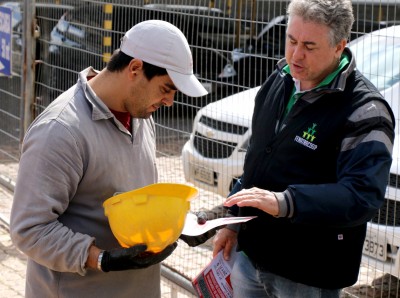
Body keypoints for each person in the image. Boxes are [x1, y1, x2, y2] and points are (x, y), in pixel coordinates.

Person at [9, 19, 207, 297]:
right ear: (135, 69)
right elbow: (29, 230)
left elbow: (134, 201)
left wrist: (178, 224)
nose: (170, 102)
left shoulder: (140, 115)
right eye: (166, 88)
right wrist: (100, 259)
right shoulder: (61, 130)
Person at [212, 0, 395, 297]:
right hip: (251, 257)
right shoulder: (279, 80)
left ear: (339, 46)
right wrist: (232, 222)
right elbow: (258, 163)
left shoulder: (364, 111)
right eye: (292, 40)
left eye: (309, 46)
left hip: (307, 274)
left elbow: (362, 195)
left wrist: (284, 201)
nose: (296, 55)